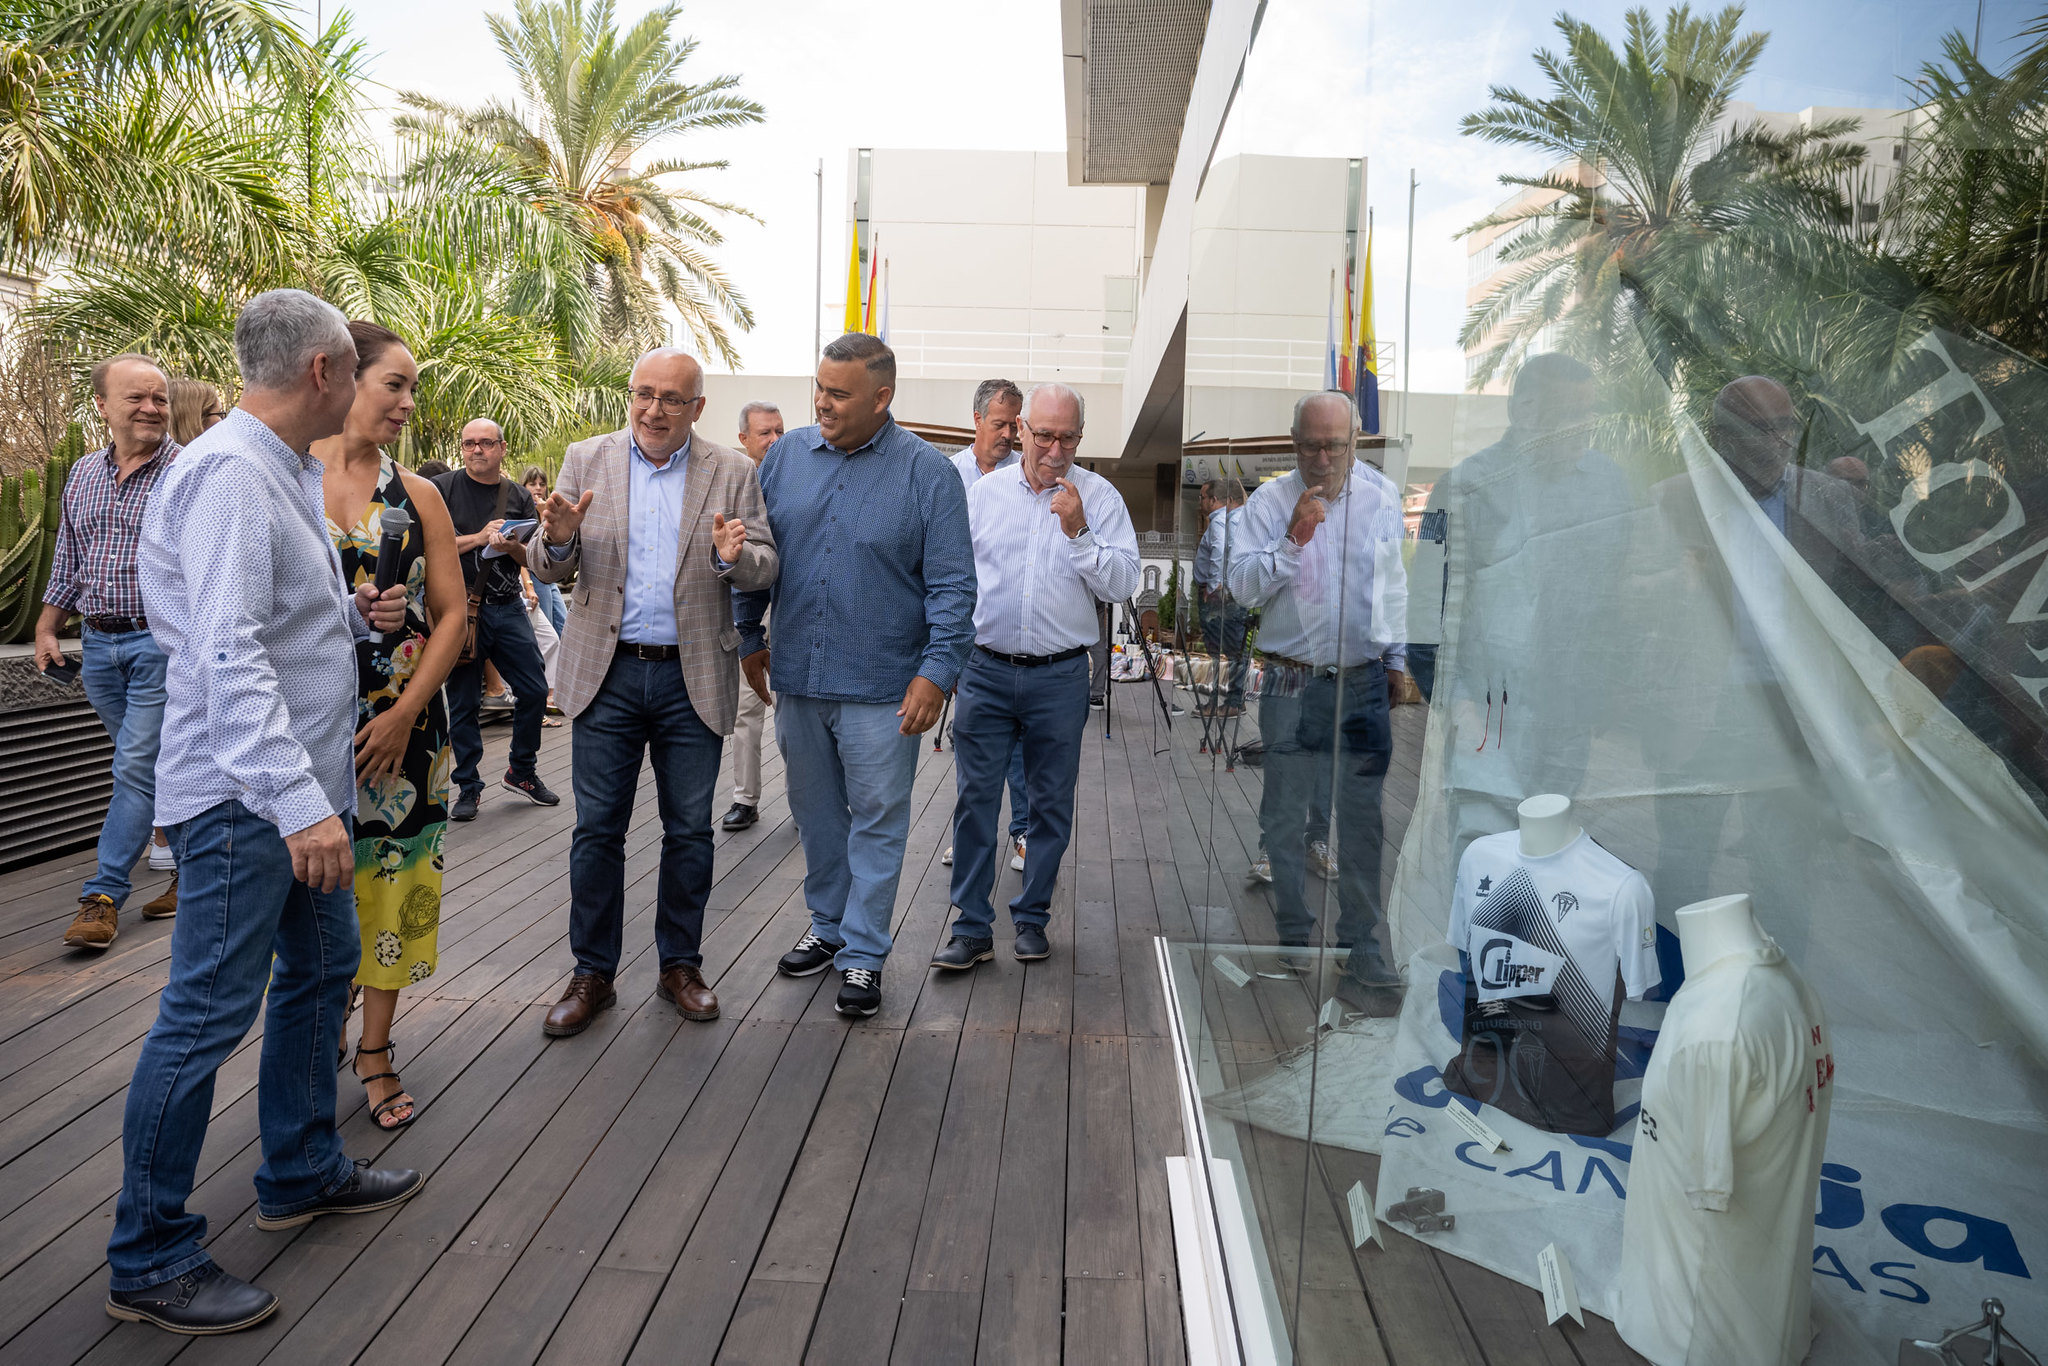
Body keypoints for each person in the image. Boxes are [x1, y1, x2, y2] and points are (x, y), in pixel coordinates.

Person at [110, 289, 423, 1336]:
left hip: (297, 791)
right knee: (202, 1016)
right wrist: (300, 804)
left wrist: (351, 616)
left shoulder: (281, 471)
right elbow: (225, 652)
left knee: (325, 967)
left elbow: (271, 621)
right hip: (251, 802)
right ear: (324, 372)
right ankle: (148, 1252)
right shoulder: (235, 477)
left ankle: (297, 1167)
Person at [526, 349, 779, 1036]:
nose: (655, 409)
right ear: (630, 397)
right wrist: (557, 540)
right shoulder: (588, 458)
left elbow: (763, 566)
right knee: (597, 830)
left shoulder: (733, 471)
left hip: (691, 673)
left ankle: (680, 966)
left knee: (689, 831)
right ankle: (592, 974)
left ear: (697, 409)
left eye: (673, 398)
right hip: (604, 674)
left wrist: (735, 558)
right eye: (645, 394)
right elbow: (550, 565)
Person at [737, 333, 974, 1019]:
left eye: (838, 393)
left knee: (877, 819)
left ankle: (864, 955)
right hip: (800, 681)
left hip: (885, 687)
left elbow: (954, 587)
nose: (822, 402)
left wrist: (937, 673)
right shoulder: (784, 458)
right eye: (819, 388)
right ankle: (830, 924)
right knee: (815, 816)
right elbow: (759, 550)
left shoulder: (928, 474)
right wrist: (748, 632)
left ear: (882, 397)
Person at [314, 320, 465, 1131]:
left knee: (394, 883)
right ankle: (315, 1035)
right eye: (393, 384)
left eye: (413, 387)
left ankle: (374, 1050)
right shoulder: (287, 480)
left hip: (403, 731)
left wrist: (407, 714)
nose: (409, 402)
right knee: (312, 888)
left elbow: (452, 616)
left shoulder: (420, 494)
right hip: (303, 730)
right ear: (340, 378)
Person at [933, 382, 1138, 970]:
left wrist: (1078, 531)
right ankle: (971, 927)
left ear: (1079, 437)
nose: (1054, 447)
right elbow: (950, 579)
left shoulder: (1097, 498)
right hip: (985, 670)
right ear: (1020, 428)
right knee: (975, 802)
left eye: (1067, 437)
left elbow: (1123, 584)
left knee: (1050, 804)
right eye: (1043, 433)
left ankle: (1032, 918)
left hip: (1060, 676)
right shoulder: (982, 495)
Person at [1229, 391, 1410, 1000]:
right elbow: (1244, 589)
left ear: (1355, 443)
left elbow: (1392, 588)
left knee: (1361, 820)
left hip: (1361, 677)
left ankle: (1362, 946)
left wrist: (1398, 659)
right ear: (1293, 442)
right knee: (1284, 815)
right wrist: (1292, 540)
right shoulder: (1268, 503)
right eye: (1310, 445)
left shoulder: (1382, 498)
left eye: (1336, 445)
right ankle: (1294, 936)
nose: (1323, 458)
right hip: (1289, 676)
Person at [36, 355, 183, 948]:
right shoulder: (83, 473)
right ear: (102, 406)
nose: (151, 408)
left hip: (161, 642)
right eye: (135, 398)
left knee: (135, 767)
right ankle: (195, 871)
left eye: (159, 399)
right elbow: (70, 558)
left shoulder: (188, 471)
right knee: (149, 766)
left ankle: (101, 895)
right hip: (97, 645)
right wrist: (49, 627)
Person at [433, 418, 557, 821]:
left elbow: (532, 556)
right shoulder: (442, 489)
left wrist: (511, 546)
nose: (476, 450)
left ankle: (521, 770)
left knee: (536, 689)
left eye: (485, 443)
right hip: (458, 608)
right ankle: (468, 786)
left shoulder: (518, 495)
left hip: (507, 605)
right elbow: (433, 547)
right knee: (464, 700)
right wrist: (480, 537)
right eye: (469, 443)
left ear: (502, 448)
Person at [941, 377, 1028, 872]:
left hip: (1013, 632)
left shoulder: (1027, 474)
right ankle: (971, 837)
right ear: (976, 420)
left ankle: (1022, 838)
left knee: (1020, 748)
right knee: (972, 747)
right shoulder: (948, 475)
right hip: (964, 637)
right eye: (999, 424)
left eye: (1015, 426)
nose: (1009, 436)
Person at [722, 399, 785, 831]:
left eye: (780, 430)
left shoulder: (799, 481)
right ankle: (745, 798)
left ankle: (806, 801)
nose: (775, 440)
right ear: (744, 439)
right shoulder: (733, 488)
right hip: (749, 616)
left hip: (793, 614)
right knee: (749, 708)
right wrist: (747, 633)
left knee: (797, 714)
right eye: (765, 433)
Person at [1193, 477, 1250, 715]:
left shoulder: (1220, 520)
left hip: (1220, 596)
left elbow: (1220, 552)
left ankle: (1229, 702)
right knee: (1232, 649)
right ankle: (1233, 700)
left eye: (1203, 497)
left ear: (1215, 500)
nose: (1201, 502)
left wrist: (1213, 587)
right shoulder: (1238, 520)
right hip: (1231, 593)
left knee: (1221, 650)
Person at [520, 465, 568, 635]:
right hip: (535, 575)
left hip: (549, 577)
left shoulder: (550, 509)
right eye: (533, 484)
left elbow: (555, 545)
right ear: (524, 486)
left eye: (542, 484)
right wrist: (529, 586)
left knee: (564, 627)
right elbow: (530, 550)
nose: (538, 488)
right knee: (546, 633)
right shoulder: (522, 512)